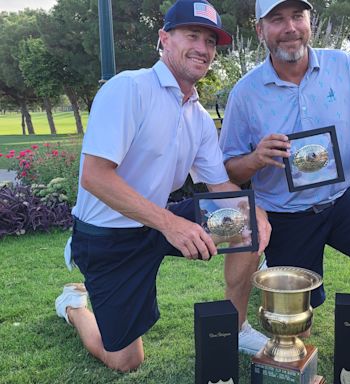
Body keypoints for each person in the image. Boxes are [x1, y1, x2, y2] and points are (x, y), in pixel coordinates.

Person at [54, 0, 270, 372]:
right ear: (164, 39)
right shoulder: (129, 89)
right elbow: (95, 176)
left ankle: (237, 327)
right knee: (126, 361)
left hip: (154, 222)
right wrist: (171, 225)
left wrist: (255, 213)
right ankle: (73, 305)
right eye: (192, 35)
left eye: (210, 41)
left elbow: (218, 183)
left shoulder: (199, 117)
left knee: (246, 222)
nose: (203, 49)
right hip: (108, 237)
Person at [219, 0, 350, 375]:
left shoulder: (343, 66)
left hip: (341, 200)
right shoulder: (245, 92)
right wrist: (255, 158)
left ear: (310, 22)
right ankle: (269, 277)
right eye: (277, 19)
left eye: (297, 16)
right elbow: (229, 171)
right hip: (285, 213)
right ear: (260, 30)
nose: (290, 27)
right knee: (297, 323)